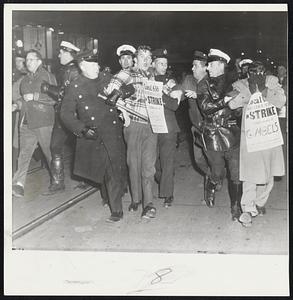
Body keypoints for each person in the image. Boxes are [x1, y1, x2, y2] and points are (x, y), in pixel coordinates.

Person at [60, 49, 128, 223]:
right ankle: (108, 196)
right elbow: (66, 114)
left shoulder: (107, 78)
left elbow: (130, 86)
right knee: (100, 170)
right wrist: (82, 129)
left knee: (113, 169)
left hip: (111, 132)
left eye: (97, 63)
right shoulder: (74, 87)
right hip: (92, 134)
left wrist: (119, 93)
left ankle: (117, 209)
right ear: (82, 66)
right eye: (93, 64)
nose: (97, 66)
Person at [228, 61, 286, 227]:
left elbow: (281, 101)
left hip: (269, 137)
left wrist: (265, 91)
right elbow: (232, 104)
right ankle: (247, 209)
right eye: (253, 72)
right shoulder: (241, 85)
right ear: (248, 73)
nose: (257, 75)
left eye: (260, 72)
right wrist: (251, 93)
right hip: (251, 138)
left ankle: (259, 202)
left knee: (269, 175)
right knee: (250, 175)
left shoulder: (273, 83)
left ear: (265, 73)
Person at [104, 45, 158, 219]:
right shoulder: (128, 74)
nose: (146, 60)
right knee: (133, 164)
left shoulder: (151, 75)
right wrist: (124, 112)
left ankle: (148, 204)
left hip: (152, 126)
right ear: (135, 59)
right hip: (134, 125)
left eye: (149, 57)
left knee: (148, 167)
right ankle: (136, 199)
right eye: (143, 56)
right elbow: (108, 93)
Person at [196, 48, 242, 221]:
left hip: (231, 133)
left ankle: (236, 208)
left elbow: (238, 110)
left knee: (236, 173)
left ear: (221, 65)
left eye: (211, 64)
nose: (207, 68)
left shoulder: (235, 83)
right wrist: (226, 101)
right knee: (217, 171)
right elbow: (206, 109)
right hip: (213, 135)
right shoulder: (203, 84)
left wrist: (237, 107)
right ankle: (212, 183)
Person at [12, 49, 57, 197]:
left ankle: (57, 181)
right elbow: (24, 99)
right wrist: (16, 105)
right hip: (27, 122)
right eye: (27, 60)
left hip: (43, 121)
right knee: (24, 154)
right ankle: (19, 185)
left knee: (49, 153)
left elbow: (54, 98)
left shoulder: (48, 77)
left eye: (31, 59)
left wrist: (35, 96)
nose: (27, 62)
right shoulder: (25, 80)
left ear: (39, 61)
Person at [41, 41, 83, 195]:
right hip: (65, 114)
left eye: (61, 52)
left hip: (72, 115)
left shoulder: (73, 70)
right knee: (56, 146)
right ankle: (58, 182)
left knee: (75, 147)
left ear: (68, 53)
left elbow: (66, 94)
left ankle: (66, 181)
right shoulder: (68, 69)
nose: (58, 55)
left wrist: (48, 88)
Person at [152, 48, 182, 208]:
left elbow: (174, 105)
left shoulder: (172, 83)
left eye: (166, 64)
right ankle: (165, 179)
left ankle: (167, 194)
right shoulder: (146, 80)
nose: (164, 67)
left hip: (169, 128)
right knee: (153, 165)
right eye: (160, 63)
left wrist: (159, 94)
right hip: (151, 127)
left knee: (167, 161)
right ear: (153, 63)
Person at [181, 50, 211, 184]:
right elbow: (180, 91)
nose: (192, 68)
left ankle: (212, 183)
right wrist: (173, 91)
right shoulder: (189, 80)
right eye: (192, 65)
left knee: (212, 159)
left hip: (211, 129)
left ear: (205, 67)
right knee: (199, 160)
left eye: (196, 66)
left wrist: (198, 95)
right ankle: (213, 177)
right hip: (197, 128)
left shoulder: (212, 82)